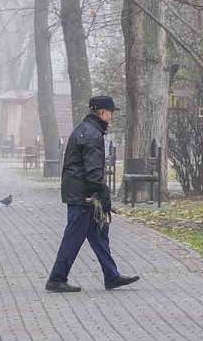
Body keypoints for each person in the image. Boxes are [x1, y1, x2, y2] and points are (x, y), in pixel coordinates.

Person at [45, 95, 140, 293]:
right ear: (102, 112)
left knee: (98, 235)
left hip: (80, 192)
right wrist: (102, 196)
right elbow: (93, 171)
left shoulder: (85, 130)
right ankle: (56, 279)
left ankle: (111, 275)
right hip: (83, 196)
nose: (112, 117)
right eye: (111, 113)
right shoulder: (92, 135)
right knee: (73, 238)